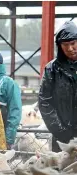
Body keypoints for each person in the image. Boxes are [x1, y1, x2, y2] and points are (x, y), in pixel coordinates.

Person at [39, 21, 77, 152]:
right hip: (62, 138)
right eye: (65, 45)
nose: (70, 48)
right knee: (61, 170)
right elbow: (44, 102)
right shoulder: (52, 69)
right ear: (59, 46)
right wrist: (60, 131)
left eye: (73, 43)